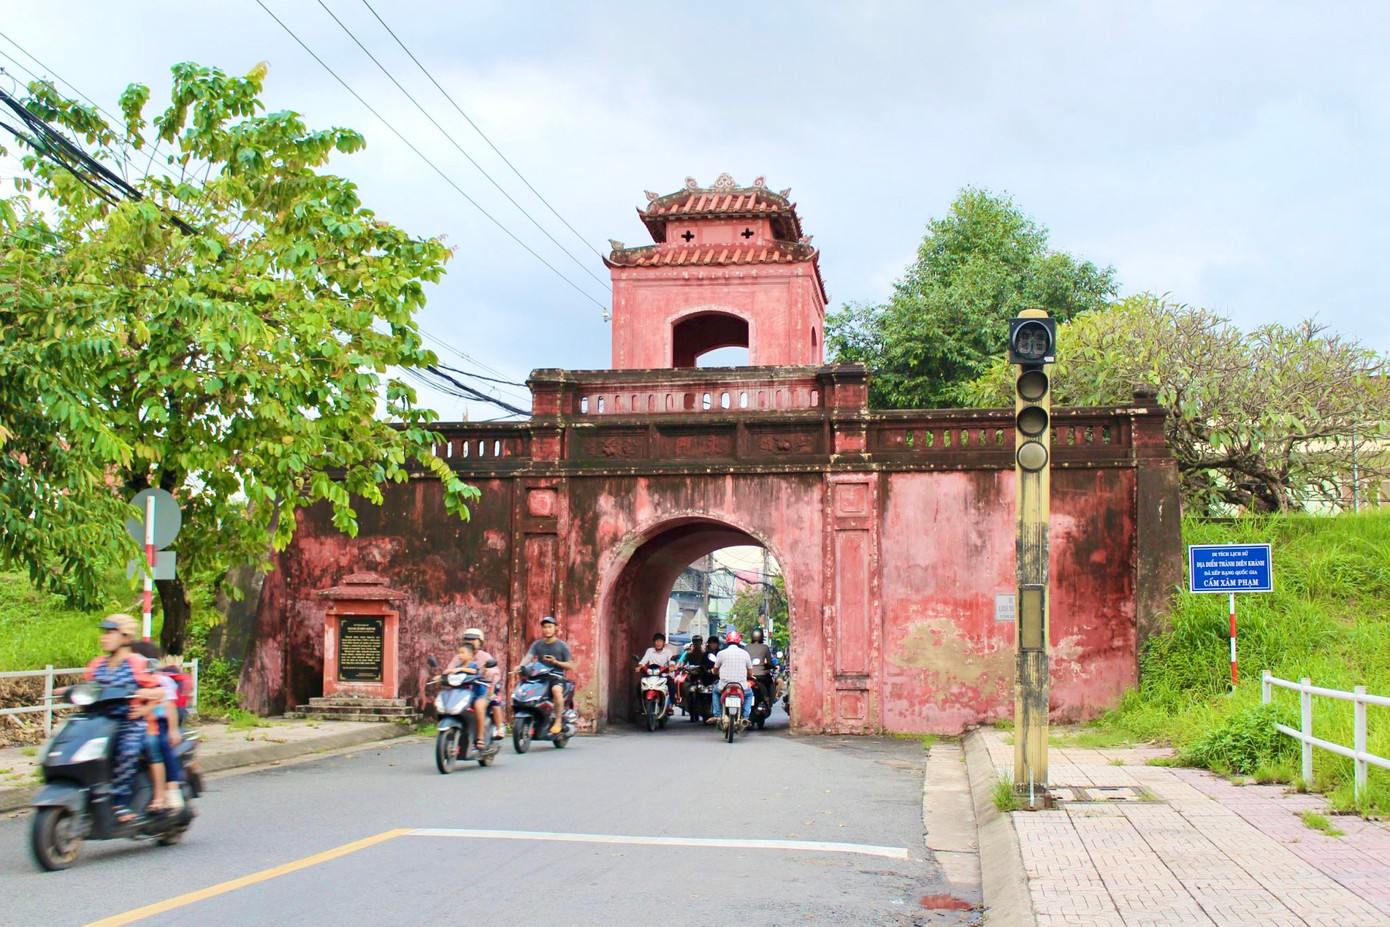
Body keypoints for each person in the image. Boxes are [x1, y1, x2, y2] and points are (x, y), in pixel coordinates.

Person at [81, 614, 158, 822]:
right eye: (103, 633)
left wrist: (144, 704)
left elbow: (158, 691)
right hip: (97, 722)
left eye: (109, 633)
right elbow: (87, 686)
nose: (103, 638)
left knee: (126, 752)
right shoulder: (97, 664)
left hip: (127, 722)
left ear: (125, 637)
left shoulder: (137, 663)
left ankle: (120, 802)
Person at [132, 641, 183, 812]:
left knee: (161, 746)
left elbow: (169, 706)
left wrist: (173, 730)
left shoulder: (160, 681)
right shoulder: (130, 679)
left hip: (158, 722)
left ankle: (172, 789)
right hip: (136, 722)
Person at [523, 616, 575, 735]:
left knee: (556, 691)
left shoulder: (562, 645)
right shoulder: (537, 644)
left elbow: (571, 665)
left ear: (555, 628)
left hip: (556, 677)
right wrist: (520, 666)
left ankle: (558, 721)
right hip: (540, 677)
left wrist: (555, 662)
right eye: (545, 627)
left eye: (550, 627)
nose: (547, 629)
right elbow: (528, 657)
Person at [444, 640, 491, 751]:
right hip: (463, 696)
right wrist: (443, 675)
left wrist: (459, 669)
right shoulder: (457, 666)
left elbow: (474, 672)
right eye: (459, 653)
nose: (460, 655)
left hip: (478, 695)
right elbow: (448, 673)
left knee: (479, 707)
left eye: (463, 653)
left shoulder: (472, 666)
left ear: (470, 655)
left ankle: (480, 738)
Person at [461, 627, 507, 740]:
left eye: (473, 639)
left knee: (494, 702)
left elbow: (494, 672)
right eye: (467, 639)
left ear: (480, 642)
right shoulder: (461, 655)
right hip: (466, 689)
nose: (470, 642)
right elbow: (451, 667)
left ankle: (499, 727)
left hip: (486, 687)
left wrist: (485, 674)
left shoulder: (484, 656)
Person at [711, 629, 754, 725]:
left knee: (715, 692)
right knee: (749, 694)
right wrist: (749, 675)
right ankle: (745, 716)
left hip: (724, 685)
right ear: (739, 640)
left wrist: (713, 671)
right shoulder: (745, 654)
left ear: (727, 640)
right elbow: (750, 672)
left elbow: (715, 669)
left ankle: (717, 715)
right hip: (741, 685)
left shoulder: (721, 653)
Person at [635, 632, 678, 718]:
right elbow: (643, 662)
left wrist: (671, 667)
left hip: (664, 675)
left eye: (660, 641)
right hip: (650, 675)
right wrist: (640, 667)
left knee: (672, 686)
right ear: (654, 642)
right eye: (656, 641)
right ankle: (641, 705)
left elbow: (671, 662)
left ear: (663, 643)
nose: (658, 643)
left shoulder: (668, 651)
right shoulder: (650, 651)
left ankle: (670, 706)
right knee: (638, 686)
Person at [744, 627, 778, 714]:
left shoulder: (746, 647)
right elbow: (769, 662)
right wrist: (772, 667)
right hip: (761, 675)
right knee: (770, 682)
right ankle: (768, 699)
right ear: (762, 636)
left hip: (748, 675)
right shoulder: (765, 647)